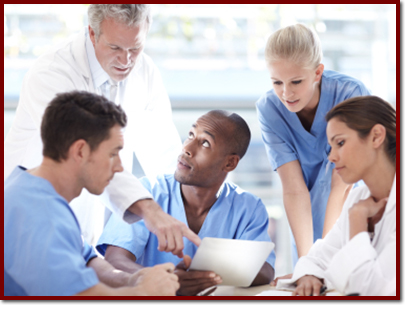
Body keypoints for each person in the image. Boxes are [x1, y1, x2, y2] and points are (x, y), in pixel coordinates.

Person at [3, 4, 200, 254]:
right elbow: (89, 157)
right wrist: (149, 210)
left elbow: (164, 156)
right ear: (93, 33)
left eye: (136, 48)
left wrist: (193, 213)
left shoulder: (145, 71)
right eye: (115, 47)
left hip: (90, 235)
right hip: (29, 221)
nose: (126, 60)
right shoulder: (52, 74)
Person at [4, 91, 180, 296]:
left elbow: (86, 260)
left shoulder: (30, 189)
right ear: (80, 151)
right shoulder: (38, 214)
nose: (120, 168)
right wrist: (145, 291)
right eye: (113, 154)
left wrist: (132, 279)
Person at [96, 110, 276, 296]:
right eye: (191, 135)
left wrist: (207, 274)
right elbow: (114, 261)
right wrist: (166, 281)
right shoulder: (147, 193)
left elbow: (266, 271)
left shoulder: (248, 208)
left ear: (230, 163)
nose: (187, 148)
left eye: (205, 143)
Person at [256, 24, 371, 272]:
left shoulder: (350, 94)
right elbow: (294, 190)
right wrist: (309, 264)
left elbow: (341, 185)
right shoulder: (269, 109)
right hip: (306, 217)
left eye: (296, 81)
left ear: (318, 72)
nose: (286, 93)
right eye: (277, 82)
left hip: (350, 207)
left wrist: (324, 258)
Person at [276, 95, 396, 296]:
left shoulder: (359, 209)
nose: (331, 157)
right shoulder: (359, 197)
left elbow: (369, 291)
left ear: (376, 136)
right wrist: (309, 276)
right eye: (331, 146)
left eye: (340, 143)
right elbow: (316, 259)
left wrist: (357, 221)